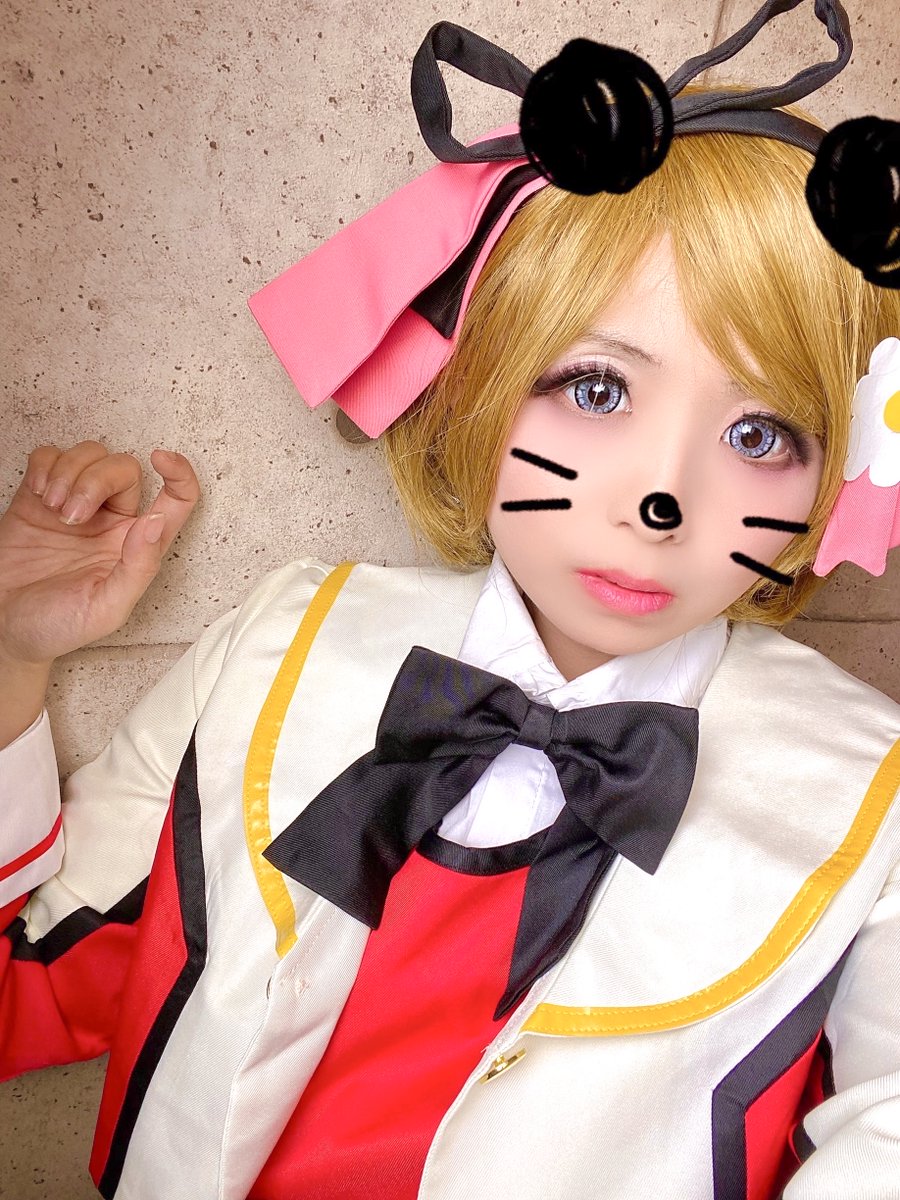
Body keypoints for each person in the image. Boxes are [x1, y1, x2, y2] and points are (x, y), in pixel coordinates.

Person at [2, 5, 900, 1199]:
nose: (662, 499)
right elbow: (23, 988)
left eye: (760, 434)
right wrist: (10, 656)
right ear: (477, 378)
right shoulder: (278, 645)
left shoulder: (874, 801)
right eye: (596, 389)